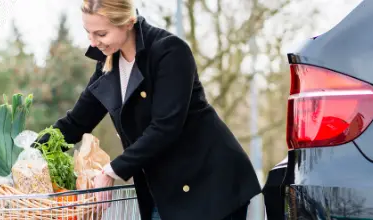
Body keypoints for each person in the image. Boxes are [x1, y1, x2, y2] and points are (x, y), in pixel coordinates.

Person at [42, 0, 261, 219]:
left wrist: (113, 170)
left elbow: (166, 126)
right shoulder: (108, 64)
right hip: (163, 191)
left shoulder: (170, 51)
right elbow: (76, 122)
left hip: (209, 184)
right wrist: (31, 157)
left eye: (101, 34)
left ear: (128, 23)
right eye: (88, 33)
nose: (93, 42)